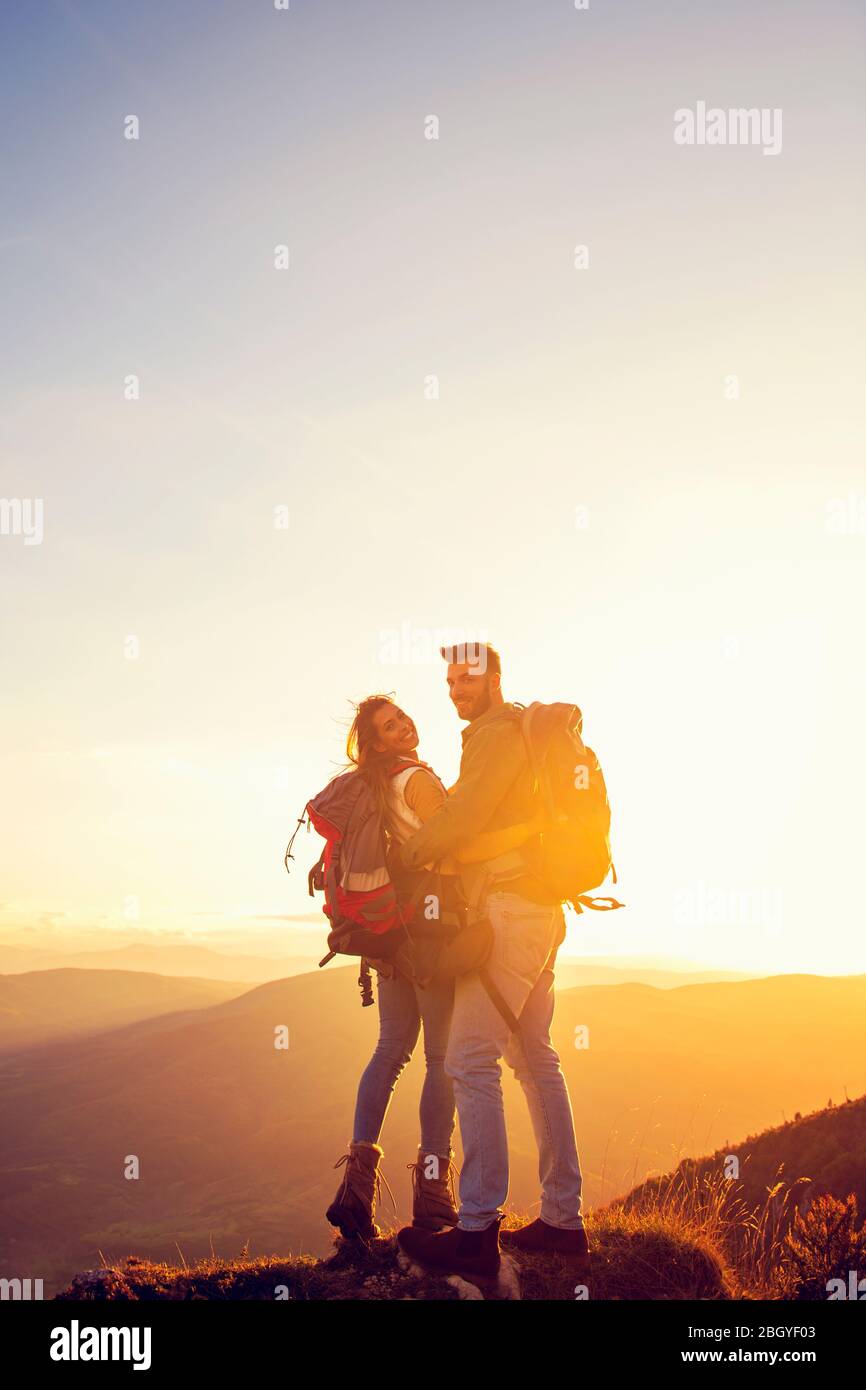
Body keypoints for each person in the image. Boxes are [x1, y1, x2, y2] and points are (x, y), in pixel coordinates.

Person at [395, 645, 589, 1280]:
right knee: (535, 1059)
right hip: (539, 909)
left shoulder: (495, 735)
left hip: (509, 912)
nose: (456, 690)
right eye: (449, 680)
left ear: (494, 679)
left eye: (467, 679)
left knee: (468, 1059)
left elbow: (463, 818)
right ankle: (563, 1220)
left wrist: (411, 855)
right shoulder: (516, 735)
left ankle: (476, 1231)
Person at [326, 694, 543, 1243]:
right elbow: (455, 839)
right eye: (389, 726)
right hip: (428, 934)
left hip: (386, 935)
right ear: (374, 742)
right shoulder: (417, 778)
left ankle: (355, 1188)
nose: (404, 727)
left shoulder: (372, 784)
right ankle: (432, 1196)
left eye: (402, 718)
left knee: (389, 1051)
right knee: (442, 1058)